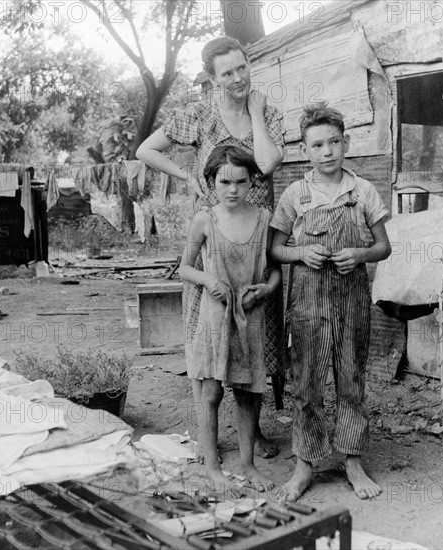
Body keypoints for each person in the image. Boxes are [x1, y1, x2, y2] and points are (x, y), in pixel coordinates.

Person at [136, 36, 284, 458]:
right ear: (211, 79)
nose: (238, 78)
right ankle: (208, 435)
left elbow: (269, 164)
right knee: (210, 333)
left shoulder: (267, 112)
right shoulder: (198, 115)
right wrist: (186, 177)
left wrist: (253, 110)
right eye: (227, 73)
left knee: (256, 332)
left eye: (242, 67)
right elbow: (145, 149)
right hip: (213, 241)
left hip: (256, 240)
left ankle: (251, 433)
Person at [271, 102, 392, 501]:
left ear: (346, 143)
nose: (327, 152)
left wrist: (359, 254)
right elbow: (275, 249)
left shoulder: (363, 191)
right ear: (305, 150)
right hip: (307, 303)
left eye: (334, 142)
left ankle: (353, 461)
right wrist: (300, 253)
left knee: (351, 379)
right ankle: (304, 466)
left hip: (352, 301)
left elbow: (383, 247)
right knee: (307, 384)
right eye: (318, 144)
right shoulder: (295, 194)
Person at [179, 145, 280, 494]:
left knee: (249, 394)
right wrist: (209, 280)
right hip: (214, 317)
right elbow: (184, 267)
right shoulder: (206, 219)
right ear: (211, 182)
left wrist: (265, 290)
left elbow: (276, 271)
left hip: (250, 317)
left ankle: (248, 464)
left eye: (241, 181)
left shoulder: (264, 218)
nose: (233, 189)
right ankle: (212, 466)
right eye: (225, 182)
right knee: (210, 391)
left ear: (252, 181)